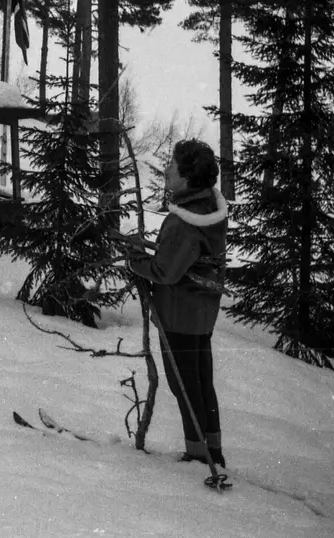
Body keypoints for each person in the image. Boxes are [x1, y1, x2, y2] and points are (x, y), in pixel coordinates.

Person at [129, 139, 229, 468]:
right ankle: (211, 448)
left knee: (184, 385)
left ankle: (199, 456)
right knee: (200, 382)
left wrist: (135, 262)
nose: (167, 170)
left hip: (178, 314)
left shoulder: (184, 220)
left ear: (186, 176)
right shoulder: (207, 210)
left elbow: (166, 271)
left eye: (172, 166)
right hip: (200, 314)